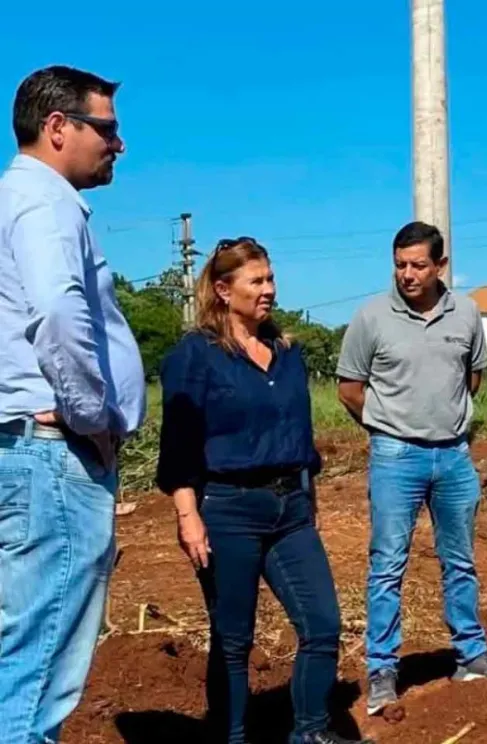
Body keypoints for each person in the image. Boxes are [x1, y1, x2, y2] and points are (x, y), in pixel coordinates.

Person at [156, 237, 372, 744]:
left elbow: (300, 437)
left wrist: (308, 500)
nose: (269, 290)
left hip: (291, 508)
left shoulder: (287, 352)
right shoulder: (196, 356)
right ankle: (231, 736)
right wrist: (188, 514)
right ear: (223, 289)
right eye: (257, 281)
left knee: (322, 624)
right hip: (228, 508)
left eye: (271, 278)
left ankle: (310, 732)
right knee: (234, 640)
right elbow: (180, 444)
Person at [0, 65, 146, 743]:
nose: (118, 144)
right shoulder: (46, 203)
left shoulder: (15, 201)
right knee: (38, 671)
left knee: (23, 649)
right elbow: (59, 313)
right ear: (58, 128)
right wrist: (94, 419)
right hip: (54, 455)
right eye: (107, 129)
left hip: (28, 450)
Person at [336, 221, 487, 716]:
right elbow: (349, 389)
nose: (408, 274)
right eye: (400, 265)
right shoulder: (372, 316)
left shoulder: (468, 313)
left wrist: (446, 424)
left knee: (459, 561)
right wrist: (387, 428)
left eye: (418, 265)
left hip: (454, 456)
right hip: (396, 456)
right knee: (387, 567)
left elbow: (471, 378)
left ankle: (471, 654)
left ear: (441, 266)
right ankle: (381, 670)